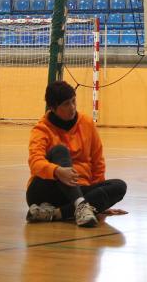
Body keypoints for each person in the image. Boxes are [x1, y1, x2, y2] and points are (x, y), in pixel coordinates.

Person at [26, 81, 127, 227]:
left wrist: (101, 203)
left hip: (80, 189)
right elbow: (35, 163)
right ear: (53, 108)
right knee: (60, 150)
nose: (72, 107)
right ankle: (81, 205)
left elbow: (97, 162)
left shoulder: (86, 123)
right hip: (45, 191)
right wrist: (57, 171)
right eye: (66, 104)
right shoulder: (41, 129)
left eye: (74, 101)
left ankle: (56, 213)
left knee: (119, 186)